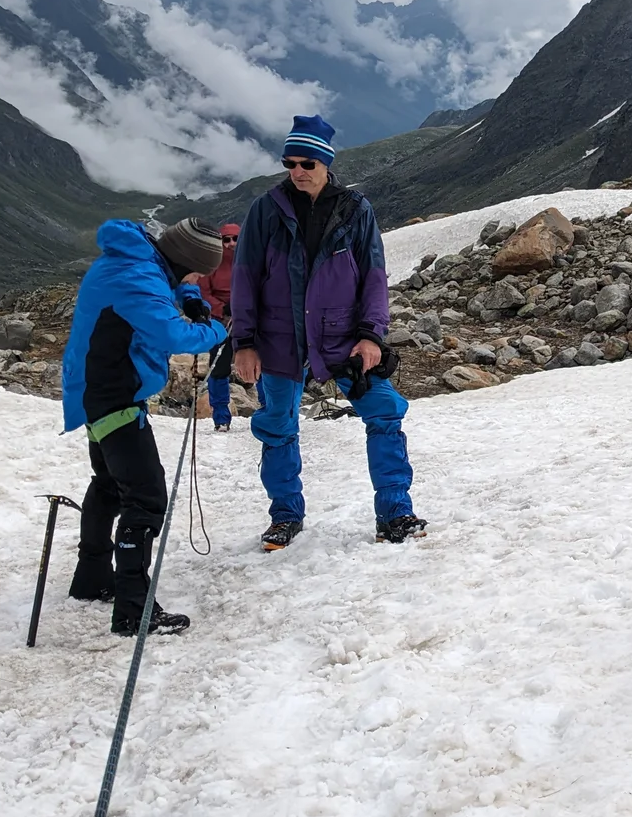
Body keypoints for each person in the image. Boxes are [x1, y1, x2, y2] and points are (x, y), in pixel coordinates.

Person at [230, 114, 423, 550]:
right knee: (278, 426)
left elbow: (373, 275)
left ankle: (395, 513)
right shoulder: (266, 210)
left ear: (325, 164)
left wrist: (372, 335)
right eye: (290, 163)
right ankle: (285, 516)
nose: (296, 171)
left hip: (342, 337)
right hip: (278, 337)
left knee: (385, 413)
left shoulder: (355, 210)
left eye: (306, 164)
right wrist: (244, 342)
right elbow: (244, 278)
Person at [61, 216, 229, 636]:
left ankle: (92, 577)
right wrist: (214, 329)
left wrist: (190, 296)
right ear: (184, 259)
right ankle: (134, 610)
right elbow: (173, 336)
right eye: (195, 272)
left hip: (95, 391)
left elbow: (167, 284)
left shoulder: (136, 259)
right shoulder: (138, 278)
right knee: (146, 498)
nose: (194, 279)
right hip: (115, 395)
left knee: (109, 486)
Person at [199, 222, 240, 431]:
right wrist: (222, 309)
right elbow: (204, 292)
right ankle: (221, 417)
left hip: (247, 317)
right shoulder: (211, 264)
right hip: (220, 320)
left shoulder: (251, 261)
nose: (231, 244)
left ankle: (268, 409)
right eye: (226, 239)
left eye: (235, 239)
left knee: (259, 362)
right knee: (219, 367)